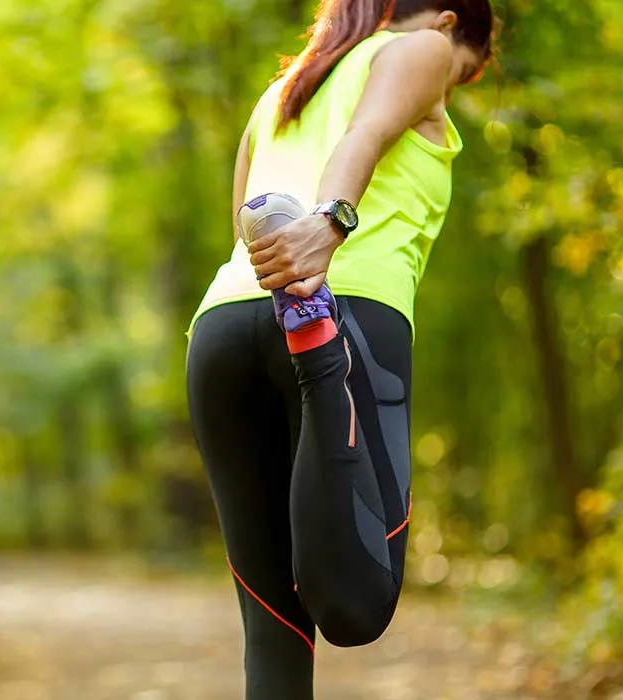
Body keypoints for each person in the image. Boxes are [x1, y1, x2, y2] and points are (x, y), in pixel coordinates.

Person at [184, 0, 496, 697]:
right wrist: (330, 224)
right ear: (449, 22)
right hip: (347, 309)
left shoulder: (282, 91)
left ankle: (309, 325)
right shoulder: (422, 49)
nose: (449, 88)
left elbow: (244, 223)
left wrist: (291, 257)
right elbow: (367, 133)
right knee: (358, 606)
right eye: (464, 76)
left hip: (225, 326)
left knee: (275, 629)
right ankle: (316, 339)